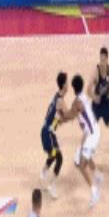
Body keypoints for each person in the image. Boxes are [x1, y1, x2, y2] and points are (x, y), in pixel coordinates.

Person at [61, 75, 103, 208]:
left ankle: (94, 191)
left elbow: (69, 116)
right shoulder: (83, 97)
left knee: (81, 164)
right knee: (83, 157)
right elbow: (73, 115)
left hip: (91, 135)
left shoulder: (77, 102)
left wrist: (59, 117)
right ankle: (98, 175)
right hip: (91, 132)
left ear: (73, 88)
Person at [40, 72, 68, 200]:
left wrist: (59, 120)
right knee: (59, 158)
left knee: (53, 154)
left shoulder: (56, 96)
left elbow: (58, 116)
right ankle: (52, 185)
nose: (68, 85)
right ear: (64, 85)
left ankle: (43, 175)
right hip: (48, 133)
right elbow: (67, 115)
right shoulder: (61, 101)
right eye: (67, 82)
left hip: (47, 131)